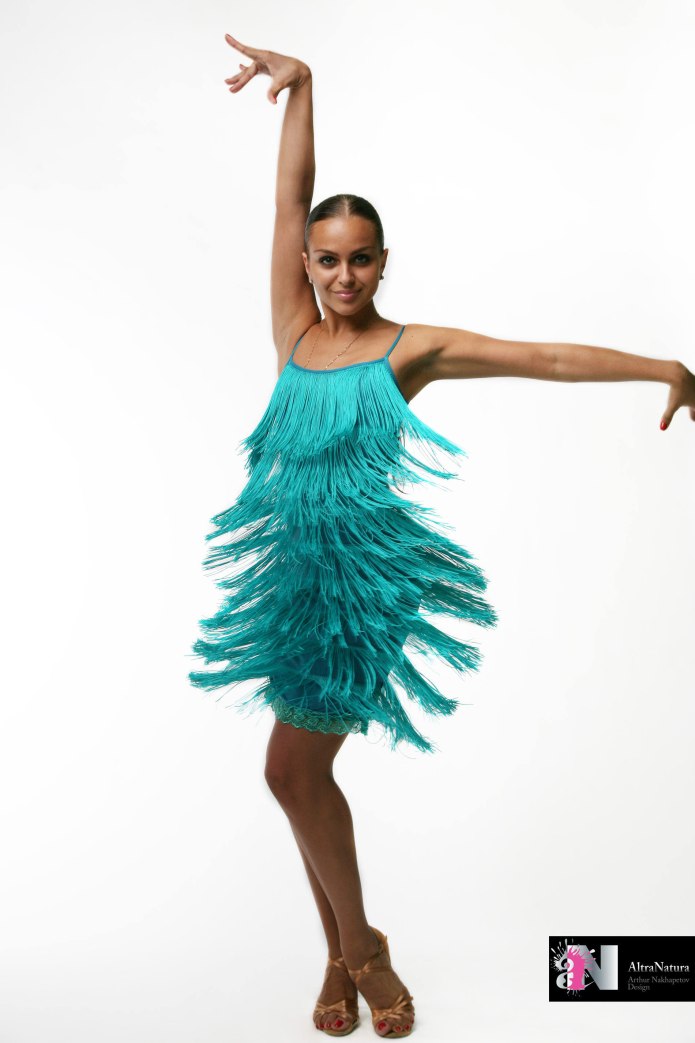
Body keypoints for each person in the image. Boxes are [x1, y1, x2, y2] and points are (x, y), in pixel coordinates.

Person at [187, 35, 695, 1039]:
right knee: (301, 779)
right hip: (291, 579)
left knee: (289, 772)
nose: (341, 272)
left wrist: (662, 367)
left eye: (358, 257)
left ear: (382, 262)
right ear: (307, 264)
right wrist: (303, 88)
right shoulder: (292, 329)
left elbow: (541, 356)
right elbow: (289, 201)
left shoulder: (406, 349)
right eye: (326, 258)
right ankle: (339, 952)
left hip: (358, 589)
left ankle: (361, 950)